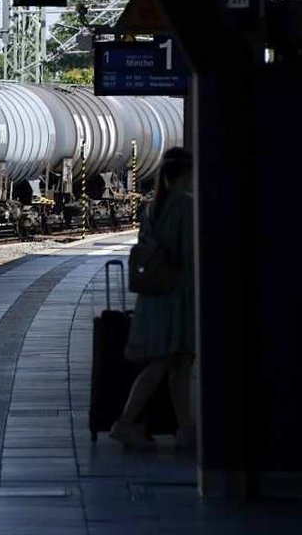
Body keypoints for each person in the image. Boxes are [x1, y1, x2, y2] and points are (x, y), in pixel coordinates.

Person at [109, 147, 195, 452]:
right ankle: (126, 424)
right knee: (168, 364)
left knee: (175, 364)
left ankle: (187, 430)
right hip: (177, 299)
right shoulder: (185, 207)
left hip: (154, 298)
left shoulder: (152, 206)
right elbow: (191, 257)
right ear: (187, 173)